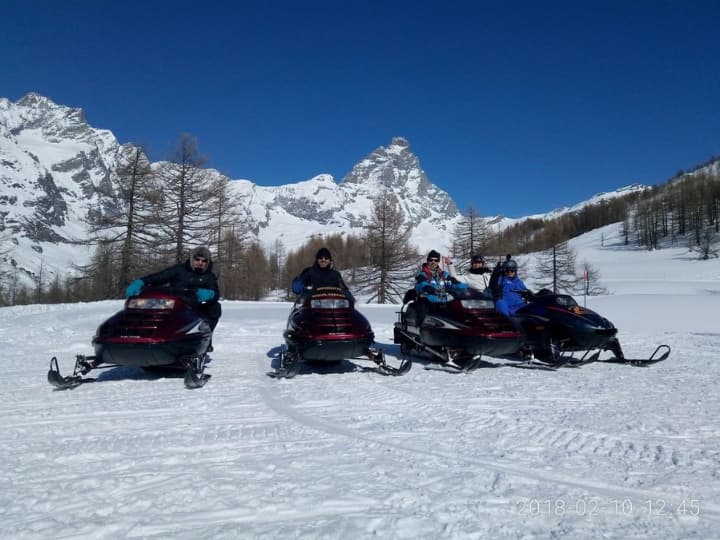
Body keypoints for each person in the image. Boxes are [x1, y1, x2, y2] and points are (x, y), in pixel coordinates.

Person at [125, 246, 222, 331]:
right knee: (145, 303)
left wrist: (210, 294)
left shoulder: (209, 276)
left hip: (195, 306)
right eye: (197, 259)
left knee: (215, 307)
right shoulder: (179, 270)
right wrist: (141, 282)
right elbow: (159, 277)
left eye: (204, 260)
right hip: (174, 302)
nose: (200, 262)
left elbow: (215, 293)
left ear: (207, 262)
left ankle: (205, 336)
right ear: (192, 259)